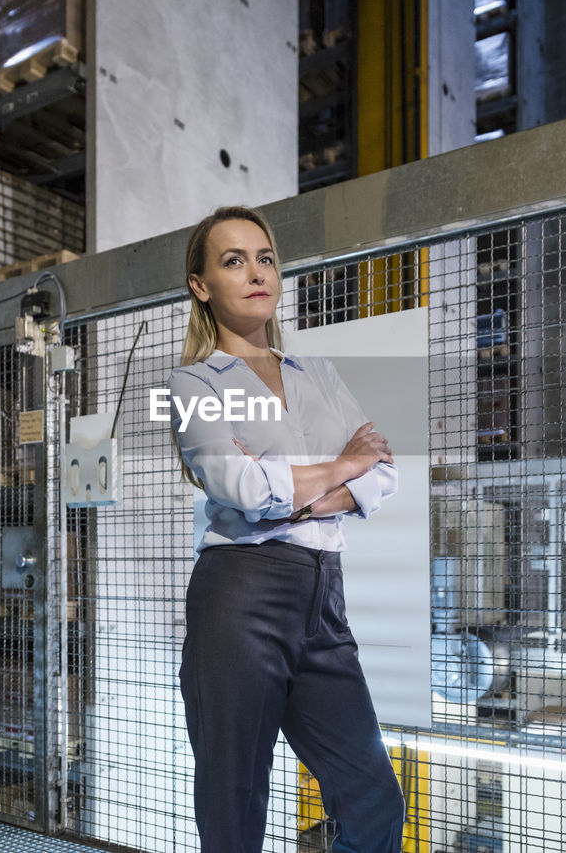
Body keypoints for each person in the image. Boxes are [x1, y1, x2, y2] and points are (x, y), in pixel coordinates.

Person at [167, 205, 406, 852]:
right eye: (233, 260)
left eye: (265, 257)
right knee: (235, 806)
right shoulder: (194, 382)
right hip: (240, 597)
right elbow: (242, 487)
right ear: (201, 285)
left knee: (376, 801)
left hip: (322, 596)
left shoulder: (316, 374)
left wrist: (309, 490)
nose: (255, 272)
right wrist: (342, 466)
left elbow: (382, 474)